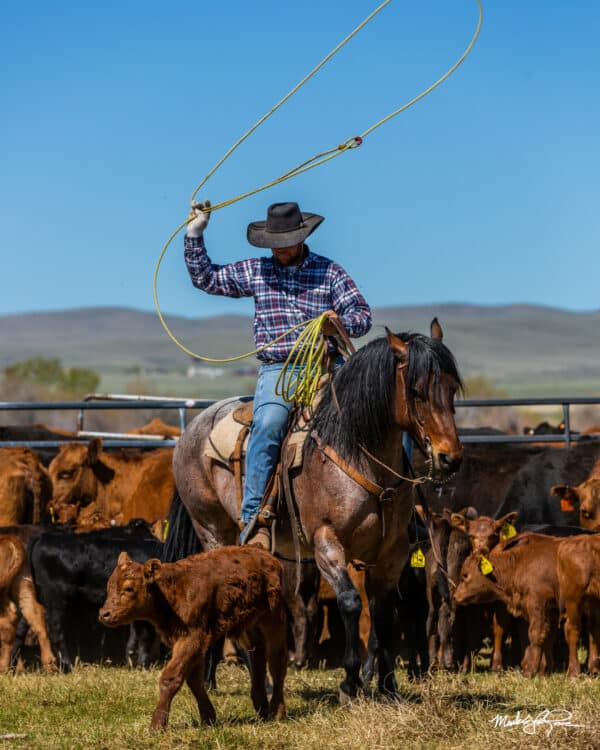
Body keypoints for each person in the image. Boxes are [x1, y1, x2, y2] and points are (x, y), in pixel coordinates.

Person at [184, 200, 372, 548]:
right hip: (280, 369)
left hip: (328, 366)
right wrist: (195, 233)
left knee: (374, 414)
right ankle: (254, 519)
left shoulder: (329, 272)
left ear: (301, 238)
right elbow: (206, 278)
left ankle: (408, 509)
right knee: (269, 424)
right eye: (275, 243)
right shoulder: (257, 272)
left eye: (287, 241)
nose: (281, 249)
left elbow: (362, 316)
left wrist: (338, 325)